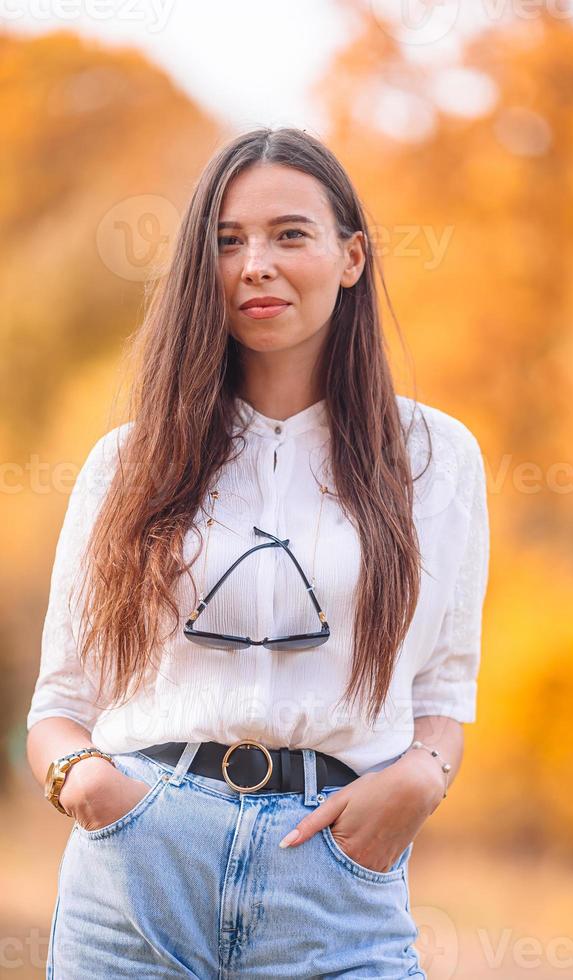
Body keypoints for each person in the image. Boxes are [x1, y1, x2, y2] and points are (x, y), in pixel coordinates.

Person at [26, 126, 490, 979]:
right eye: (227, 241)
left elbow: (444, 686)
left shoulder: (435, 457)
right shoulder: (128, 463)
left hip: (335, 876)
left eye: (289, 235)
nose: (255, 265)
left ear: (352, 257)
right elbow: (59, 700)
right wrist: (87, 787)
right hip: (137, 875)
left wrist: (421, 780)